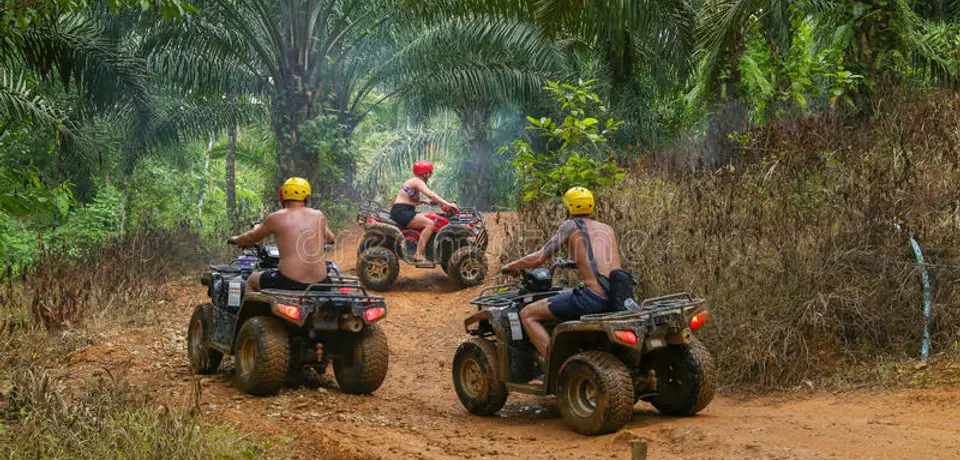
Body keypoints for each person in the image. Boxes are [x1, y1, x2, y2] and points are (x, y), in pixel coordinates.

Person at [500, 186, 621, 360]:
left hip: (592, 299)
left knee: (527, 314)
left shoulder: (570, 226)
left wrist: (511, 265)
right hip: (617, 297)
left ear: (568, 207)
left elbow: (540, 258)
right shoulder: (607, 229)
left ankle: (557, 366)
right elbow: (599, 260)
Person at [227, 177, 336, 291]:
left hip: (289, 282)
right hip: (321, 283)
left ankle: (251, 309)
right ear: (306, 197)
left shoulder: (276, 217)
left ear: (283, 196)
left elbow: (252, 237)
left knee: (252, 279)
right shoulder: (318, 215)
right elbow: (331, 239)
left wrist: (235, 239)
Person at [391, 161, 456, 262]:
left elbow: (409, 200)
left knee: (428, 217)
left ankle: (421, 248)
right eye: (430, 173)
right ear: (425, 173)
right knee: (430, 224)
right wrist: (447, 204)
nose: (430, 175)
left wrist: (424, 202)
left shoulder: (413, 181)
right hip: (402, 211)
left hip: (402, 210)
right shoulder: (418, 181)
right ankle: (418, 254)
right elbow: (431, 194)